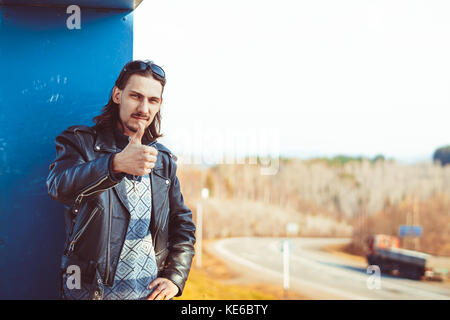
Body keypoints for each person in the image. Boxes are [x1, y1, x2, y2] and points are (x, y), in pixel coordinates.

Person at [46, 60, 196, 300]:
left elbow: (183, 225)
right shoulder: (81, 143)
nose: (144, 108)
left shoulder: (163, 160)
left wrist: (175, 278)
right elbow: (59, 187)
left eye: (153, 100)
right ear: (117, 95)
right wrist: (113, 165)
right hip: (91, 293)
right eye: (136, 96)